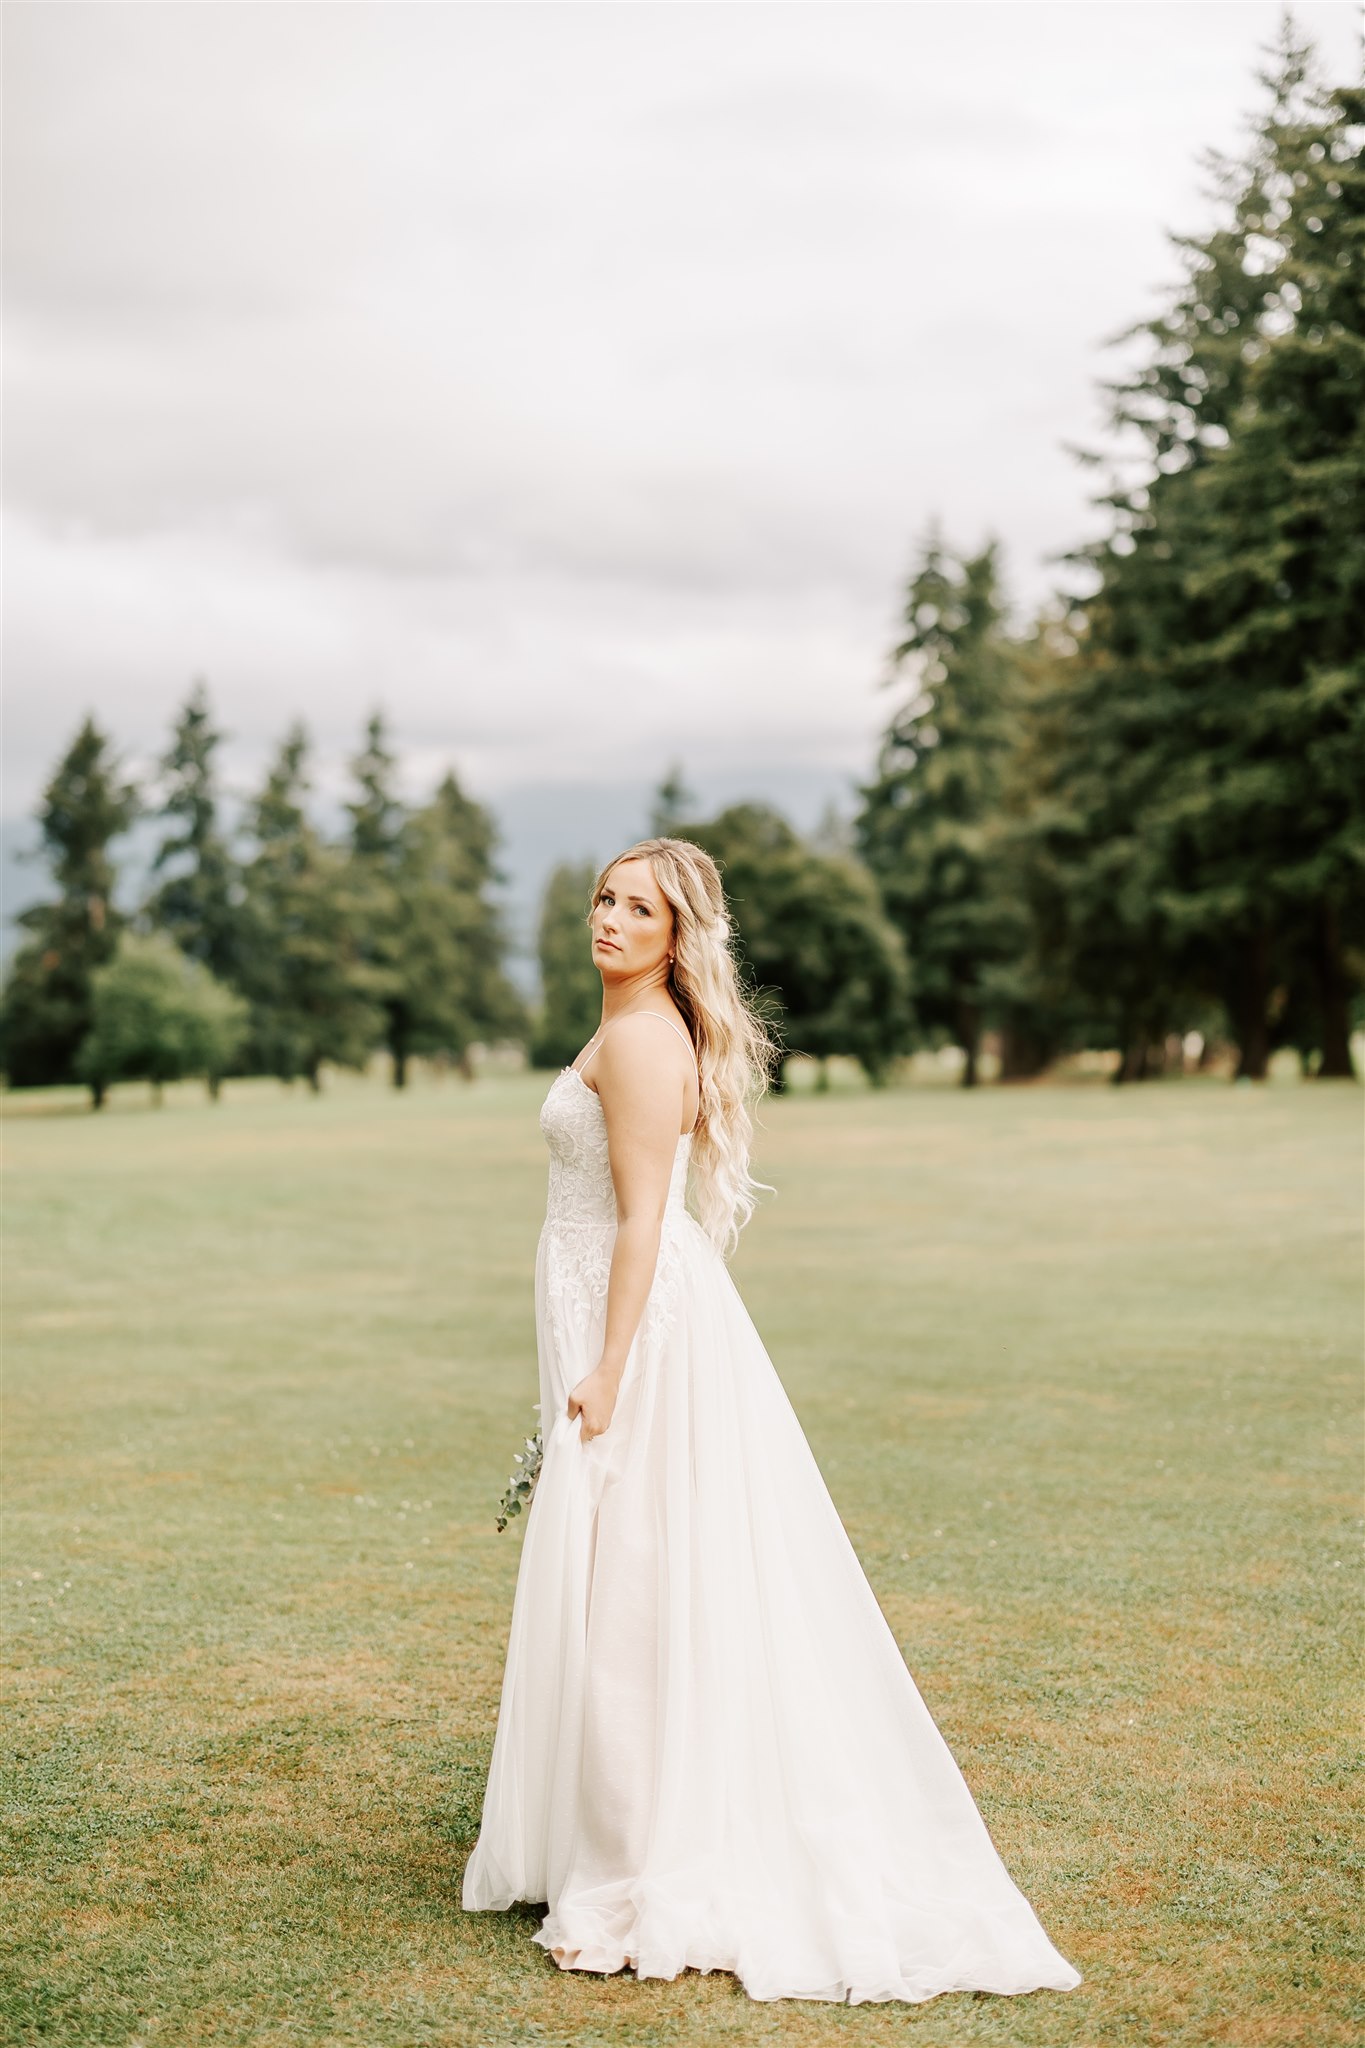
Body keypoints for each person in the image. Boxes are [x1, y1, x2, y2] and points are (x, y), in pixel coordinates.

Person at [461, 836, 1083, 2007]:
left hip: (636, 1325)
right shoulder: (628, 1025)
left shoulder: (643, 1040)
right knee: (630, 1570)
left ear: (676, 933)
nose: (607, 919)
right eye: (602, 897)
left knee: (637, 1576)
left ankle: (646, 1853)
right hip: (612, 1310)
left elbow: (644, 1219)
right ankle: (619, 1820)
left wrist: (608, 1365)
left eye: (636, 908)